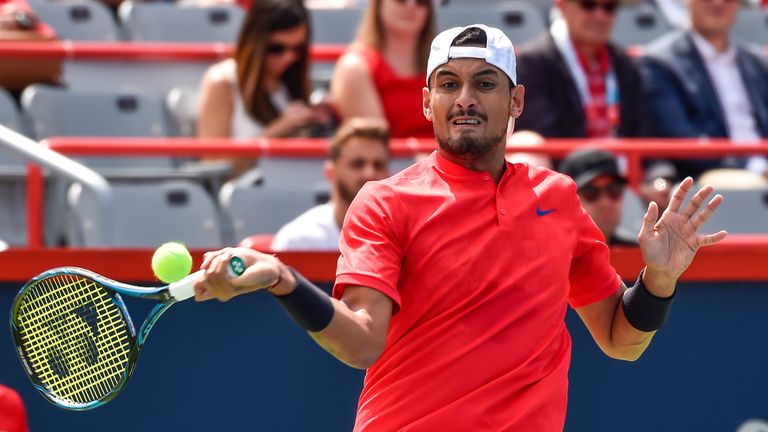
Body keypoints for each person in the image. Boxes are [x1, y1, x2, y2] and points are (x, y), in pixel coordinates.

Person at [195, 24, 727, 430]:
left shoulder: (558, 199)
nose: (464, 98)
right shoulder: (385, 202)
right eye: (447, 84)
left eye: (484, 83)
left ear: (516, 101)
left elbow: (621, 341)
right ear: (427, 102)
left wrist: (658, 282)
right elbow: (359, 344)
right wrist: (284, 281)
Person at [197, 0, 331, 177]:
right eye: (276, 48)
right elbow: (213, 166)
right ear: (255, 40)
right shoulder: (222, 81)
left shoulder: (291, 81)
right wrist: (279, 129)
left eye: (298, 48)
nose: (288, 57)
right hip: (245, 195)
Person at [639, 0, 768, 179]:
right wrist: (754, 167)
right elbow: (681, 137)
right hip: (709, 181)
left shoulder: (759, 62)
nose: (718, 3)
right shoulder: (659, 63)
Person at [514, 0, 647, 138]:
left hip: (622, 158)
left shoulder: (625, 64)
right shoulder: (534, 62)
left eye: (609, 7)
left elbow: (641, 131)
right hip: (565, 159)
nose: (599, 16)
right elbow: (541, 133)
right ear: (563, 6)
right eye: (588, 4)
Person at [271, 118, 391, 251]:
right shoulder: (299, 240)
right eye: (357, 164)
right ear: (331, 172)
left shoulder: (403, 236)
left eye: (379, 165)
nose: (370, 173)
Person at [328, 0, 436, 138]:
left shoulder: (444, 64)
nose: (411, 4)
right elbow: (375, 147)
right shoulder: (355, 67)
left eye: (422, 1)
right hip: (405, 159)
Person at [560, 148, 638, 246]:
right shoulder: (552, 256)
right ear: (567, 200)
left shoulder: (640, 252)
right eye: (590, 192)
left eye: (613, 189)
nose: (605, 202)